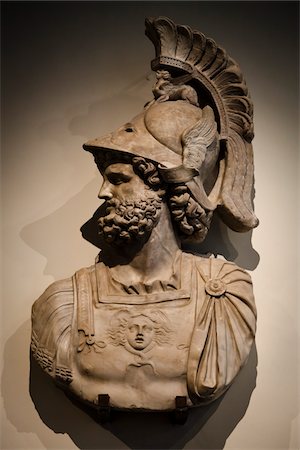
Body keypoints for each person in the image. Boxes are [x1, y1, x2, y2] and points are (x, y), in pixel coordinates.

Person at [31, 16, 258, 412]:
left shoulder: (224, 295)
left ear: (168, 187)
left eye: (118, 179)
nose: (103, 192)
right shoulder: (63, 302)